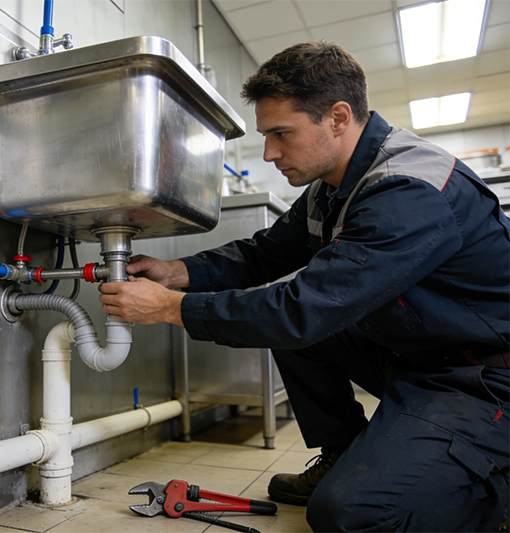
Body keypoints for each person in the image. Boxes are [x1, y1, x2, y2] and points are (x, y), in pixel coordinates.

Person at [99, 41, 509, 532]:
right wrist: (177, 272)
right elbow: (263, 255)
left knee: (350, 514)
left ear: (338, 117)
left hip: (484, 382)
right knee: (297, 329)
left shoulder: (407, 190)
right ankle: (344, 451)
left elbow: (303, 308)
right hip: (419, 359)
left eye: (281, 134)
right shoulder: (331, 187)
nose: (270, 153)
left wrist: (172, 308)